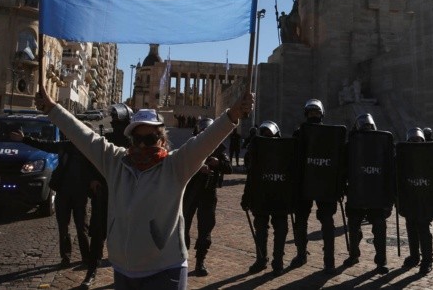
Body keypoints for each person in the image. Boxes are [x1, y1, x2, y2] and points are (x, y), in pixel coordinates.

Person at [33, 86, 254, 289]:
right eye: (137, 138)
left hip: (166, 268)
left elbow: (206, 141)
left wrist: (233, 114)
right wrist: (52, 108)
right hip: (123, 269)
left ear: (162, 140)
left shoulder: (175, 166)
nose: (141, 145)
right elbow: (83, 136)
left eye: (150, 139)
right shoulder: (115, 161)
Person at [14, 129, 94, 269]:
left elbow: (98, 169)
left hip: (80, 194)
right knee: (63, 228)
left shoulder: (89, 150)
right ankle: (65, 258)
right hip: (63, 193)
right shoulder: (65, 146)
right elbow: (45, 145)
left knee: (82, 228)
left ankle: (86, 258)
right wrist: (24, 139)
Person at [291, 98, 342, 273]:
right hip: (304, 183)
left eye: (317, 112)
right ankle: (301, 254)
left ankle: (329, 259)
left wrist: (339, 185)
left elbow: (338, 159)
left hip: (325, 183)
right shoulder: (299, 133)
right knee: (301, 222)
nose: (314, 115)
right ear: (306, 114)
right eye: (311, 113)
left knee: (327, 222)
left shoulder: (330, 134)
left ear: (322, 114)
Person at [342, 113, 394, 274]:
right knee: (354, 225)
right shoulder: (351, 145)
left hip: (376, 192)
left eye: (368, 126)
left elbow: (389, 168)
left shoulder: (381, 144)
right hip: (357, 191)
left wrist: (390, 195)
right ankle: (353, 254)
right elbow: (344, 168)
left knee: (379, 227)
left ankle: (381, 260)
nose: (366, 127)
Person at [182, 117, 232, 276]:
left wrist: (218, 163)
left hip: (209, 192)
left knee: (206, 227)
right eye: (202, 132)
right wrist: (198, 168)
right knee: (183, 226)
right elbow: (180, 165)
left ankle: (200, 262)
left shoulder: (218, 148)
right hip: (190, 192)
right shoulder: (190, 145)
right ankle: (181, 259)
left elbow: (229, 168)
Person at [241, 121, 289, 275]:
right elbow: (251, 176)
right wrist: (246, 197)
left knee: (280, 230)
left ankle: (278, 262)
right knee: (261, 230)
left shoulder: (285, 151)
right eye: (265, 135)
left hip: (279, 197)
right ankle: (261, 259)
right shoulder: (256, 151)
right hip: (261, 197)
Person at [400, 127, 433, 273]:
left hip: (424, 199)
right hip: (410, 198)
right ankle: (414, 256)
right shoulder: (403, 156)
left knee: (423, 228)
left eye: (418, 140)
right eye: (413, 140)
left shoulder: (430, 155)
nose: (416, 142)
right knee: (411, 227)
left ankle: (427, 259)